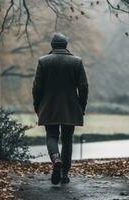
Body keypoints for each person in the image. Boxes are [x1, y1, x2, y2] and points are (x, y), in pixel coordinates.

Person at [32, 33, 88, 185]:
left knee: (51, 135)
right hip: (70, 107)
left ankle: (56, 158)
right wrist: (81, 106)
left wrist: (37, 105)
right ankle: (64, 174)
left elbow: (37, 87)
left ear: (52, 46)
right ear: (65, 45)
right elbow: (83, 87)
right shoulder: (77, 62)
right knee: (68, 139)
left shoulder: (43, 61)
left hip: (49, 106)